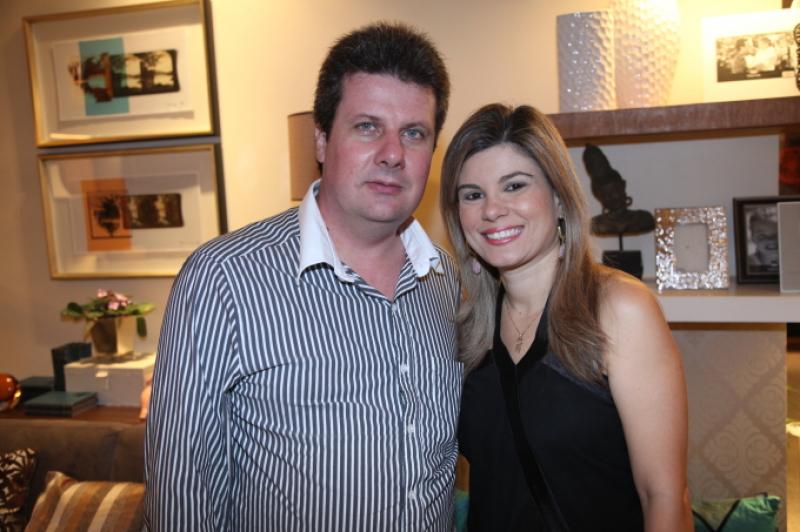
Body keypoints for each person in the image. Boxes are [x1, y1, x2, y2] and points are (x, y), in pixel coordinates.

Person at [144, 22, 462, 531]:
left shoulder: (447, 282)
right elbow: (181, 498)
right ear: (321, 138)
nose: (392, 153)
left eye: (414, 133)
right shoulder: (224, 279)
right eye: (367, 126)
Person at [440, 104, 691, 531]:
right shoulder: (465, 326)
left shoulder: (619, 310)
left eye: (514, 186)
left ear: (558, 198)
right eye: (473, 194)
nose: (492, 210)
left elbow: (664, 496)